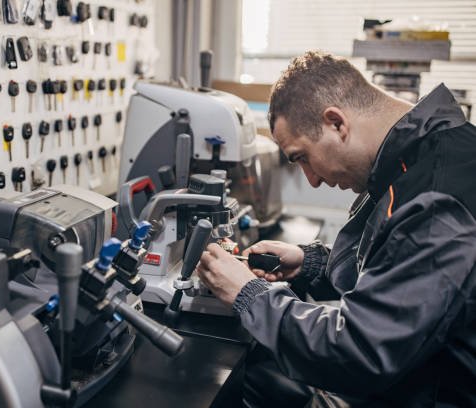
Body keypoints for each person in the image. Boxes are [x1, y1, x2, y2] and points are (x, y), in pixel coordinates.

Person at [196, 51, 476, 407]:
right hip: (412, 379)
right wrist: (311, 263)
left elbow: (359, 350)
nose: (311, 180)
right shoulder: (416, 158)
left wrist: (249, 294)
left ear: (336, 123)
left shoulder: (437, 198)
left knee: (247, 381)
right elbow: (397, 271)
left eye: (301, 157)